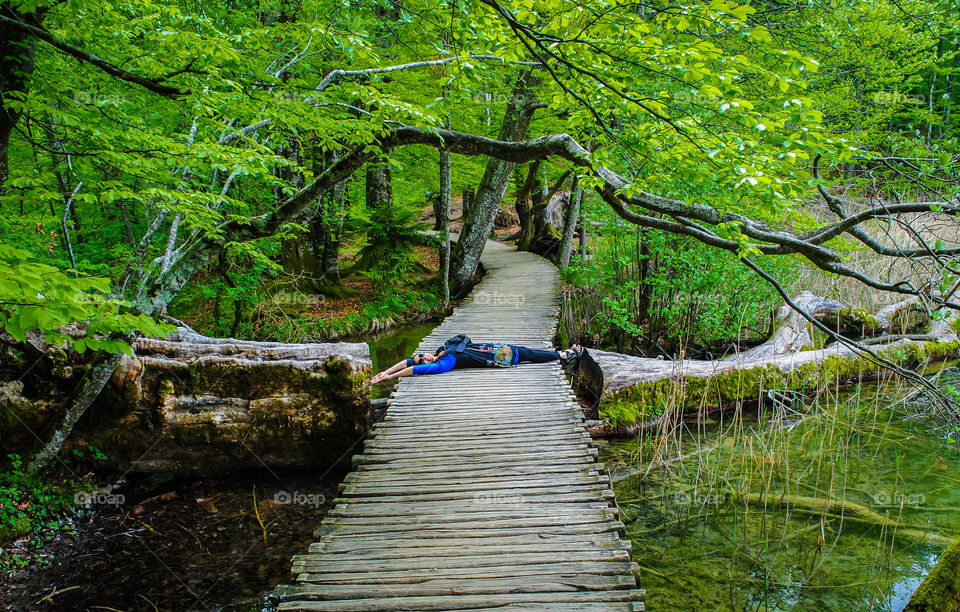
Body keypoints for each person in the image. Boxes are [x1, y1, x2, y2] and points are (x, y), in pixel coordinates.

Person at [370, 341, 583, 384]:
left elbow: (406, 361)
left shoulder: (443, 351)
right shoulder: (446, 362)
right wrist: (390, 377)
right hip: (498, 357)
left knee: (528, 353)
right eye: (423, 359)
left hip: (495, 348)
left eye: (423, 355)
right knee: (528, 355)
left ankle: (561, 354)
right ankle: (564, 355)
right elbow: (414, 368)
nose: (426, 358)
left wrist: (384, 371)